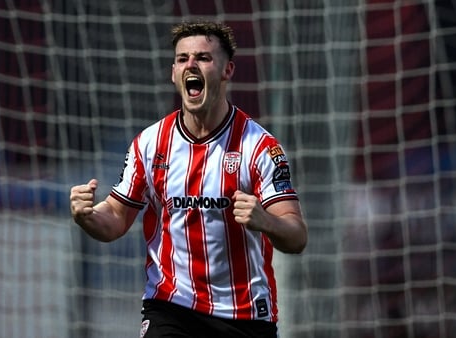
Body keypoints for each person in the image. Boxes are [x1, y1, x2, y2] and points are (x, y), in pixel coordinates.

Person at [70, 20, 308, 338]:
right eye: (182, 59)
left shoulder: (260, 147)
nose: (191, 65)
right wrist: (86, 215)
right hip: (170, 305)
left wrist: (265, 220)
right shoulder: (150, 144)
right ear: (173, 73)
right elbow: (114, 217)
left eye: (203, 58)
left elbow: (296, 236)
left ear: (227, 70)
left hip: (244, 313)